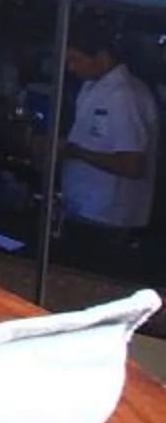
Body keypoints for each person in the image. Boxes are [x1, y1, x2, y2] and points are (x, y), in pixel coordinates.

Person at [62, 15, 158, 260]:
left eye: (76, 60)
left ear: (102, 57)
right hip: (83, 208)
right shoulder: (91, 85)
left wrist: (76, 151)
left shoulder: (125, 96)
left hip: (108, 218)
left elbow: (133, 164)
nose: (71, 68)